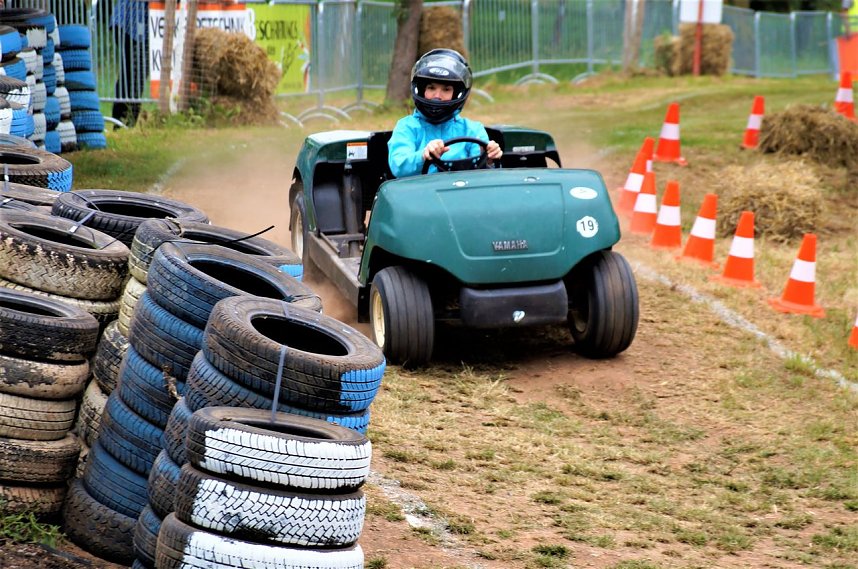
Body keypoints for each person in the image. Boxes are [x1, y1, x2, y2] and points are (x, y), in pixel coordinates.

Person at [388, 49, 502, 178]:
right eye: (431, 88)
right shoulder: (407, 127)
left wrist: (489, 159)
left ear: (457, 94)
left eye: (446, 89)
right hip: (419, 194)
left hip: (463, 193)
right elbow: (398, 167)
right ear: (420, 89)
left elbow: (484, 179)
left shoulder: (472, 130)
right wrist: (423, 155)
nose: (437, 96)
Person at [111, 0, 149, 126]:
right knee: (135, 73)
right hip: (131, 25)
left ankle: (121, 121)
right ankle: (125, 121)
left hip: (130, 23)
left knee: (131, 74)